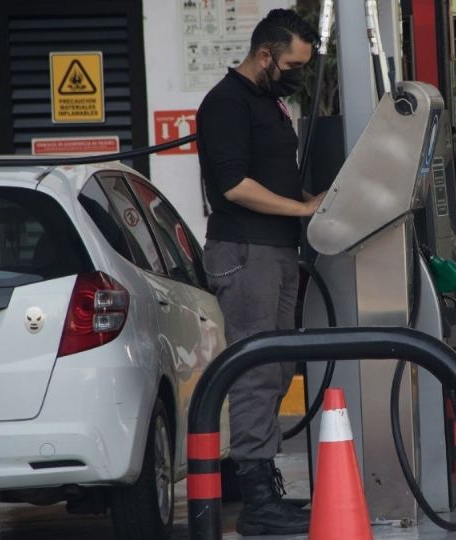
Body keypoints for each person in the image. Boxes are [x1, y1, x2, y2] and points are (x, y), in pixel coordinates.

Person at [195, 9, 324, 536]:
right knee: (253, 374)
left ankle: (265, 486)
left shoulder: (269, 104)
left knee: (276, 370)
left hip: (276, 250)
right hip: (244, 252)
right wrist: (300, 211)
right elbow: (232, 186)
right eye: (292, 63)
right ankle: (256, 501)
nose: (296, 74)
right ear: (265, 54)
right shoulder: (225, 104)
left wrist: (314, 205)